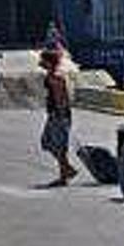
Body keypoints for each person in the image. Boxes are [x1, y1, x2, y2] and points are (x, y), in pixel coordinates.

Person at [39, 50, 78, 187]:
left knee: (56, 144)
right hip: (56, 114)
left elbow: (60, 97)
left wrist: (61, 115)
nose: (40, 62)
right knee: (50, 143)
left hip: (59, 115)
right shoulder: (52, 75)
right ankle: (66, 171)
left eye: (42, 60)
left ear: (48, 62)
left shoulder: (55, 77)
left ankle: (66, 172)